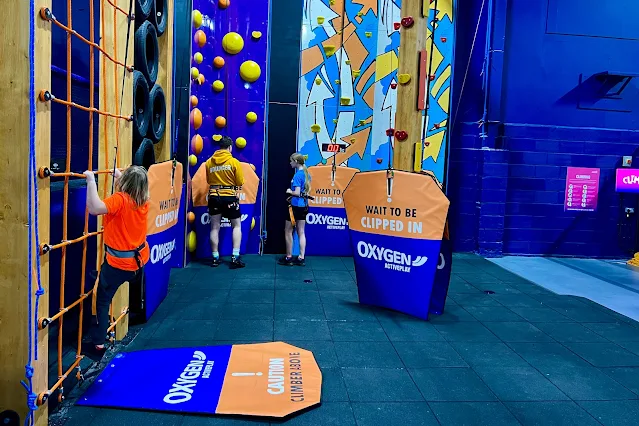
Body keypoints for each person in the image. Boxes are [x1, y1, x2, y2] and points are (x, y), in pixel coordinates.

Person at [83, 166, 149, 360]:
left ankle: (97, 345)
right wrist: (122, 177)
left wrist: (90, 181)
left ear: (125, 185)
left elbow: (95, 208)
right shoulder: (143, 200)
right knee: (108, 287)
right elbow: (136, 185)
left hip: (118, 265)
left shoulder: (120, 199)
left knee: (102, 301)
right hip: (137, 263)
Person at [205, 135, 245, 268]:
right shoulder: (234, 162)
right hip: (229, 197)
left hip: (214, 196)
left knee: (214, 227)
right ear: (230, 147)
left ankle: (215, 258)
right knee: (237, 226)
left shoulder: (209, 162)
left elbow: (208, 181)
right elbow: (240, 182)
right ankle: (235, 257)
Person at [279, 153, 311, 266]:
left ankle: (289, 257)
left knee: (288, 231)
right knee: (301, 232)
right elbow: (305, 192)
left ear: (296, 162)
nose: (290, 163)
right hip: (304, 206)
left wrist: (289, 192)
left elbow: (297, 192)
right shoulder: (307, 174)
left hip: (295, 207)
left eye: (291, 161)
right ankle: (301, 257)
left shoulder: (297, 175)